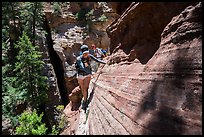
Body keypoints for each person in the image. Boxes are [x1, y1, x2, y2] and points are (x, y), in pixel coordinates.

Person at [75, 44, 106, 111]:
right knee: (82, 88)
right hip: (80, 75)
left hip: (87, 75)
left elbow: (97, 60)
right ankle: (84, 98)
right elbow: (82, 67)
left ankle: (85, 100)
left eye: (87, 53)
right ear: (82, 53)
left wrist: (105, 62)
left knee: (86, 88)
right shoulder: (78, 59)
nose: (86, 54)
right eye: (84, 53)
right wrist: (91, 73)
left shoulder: (89, 56)